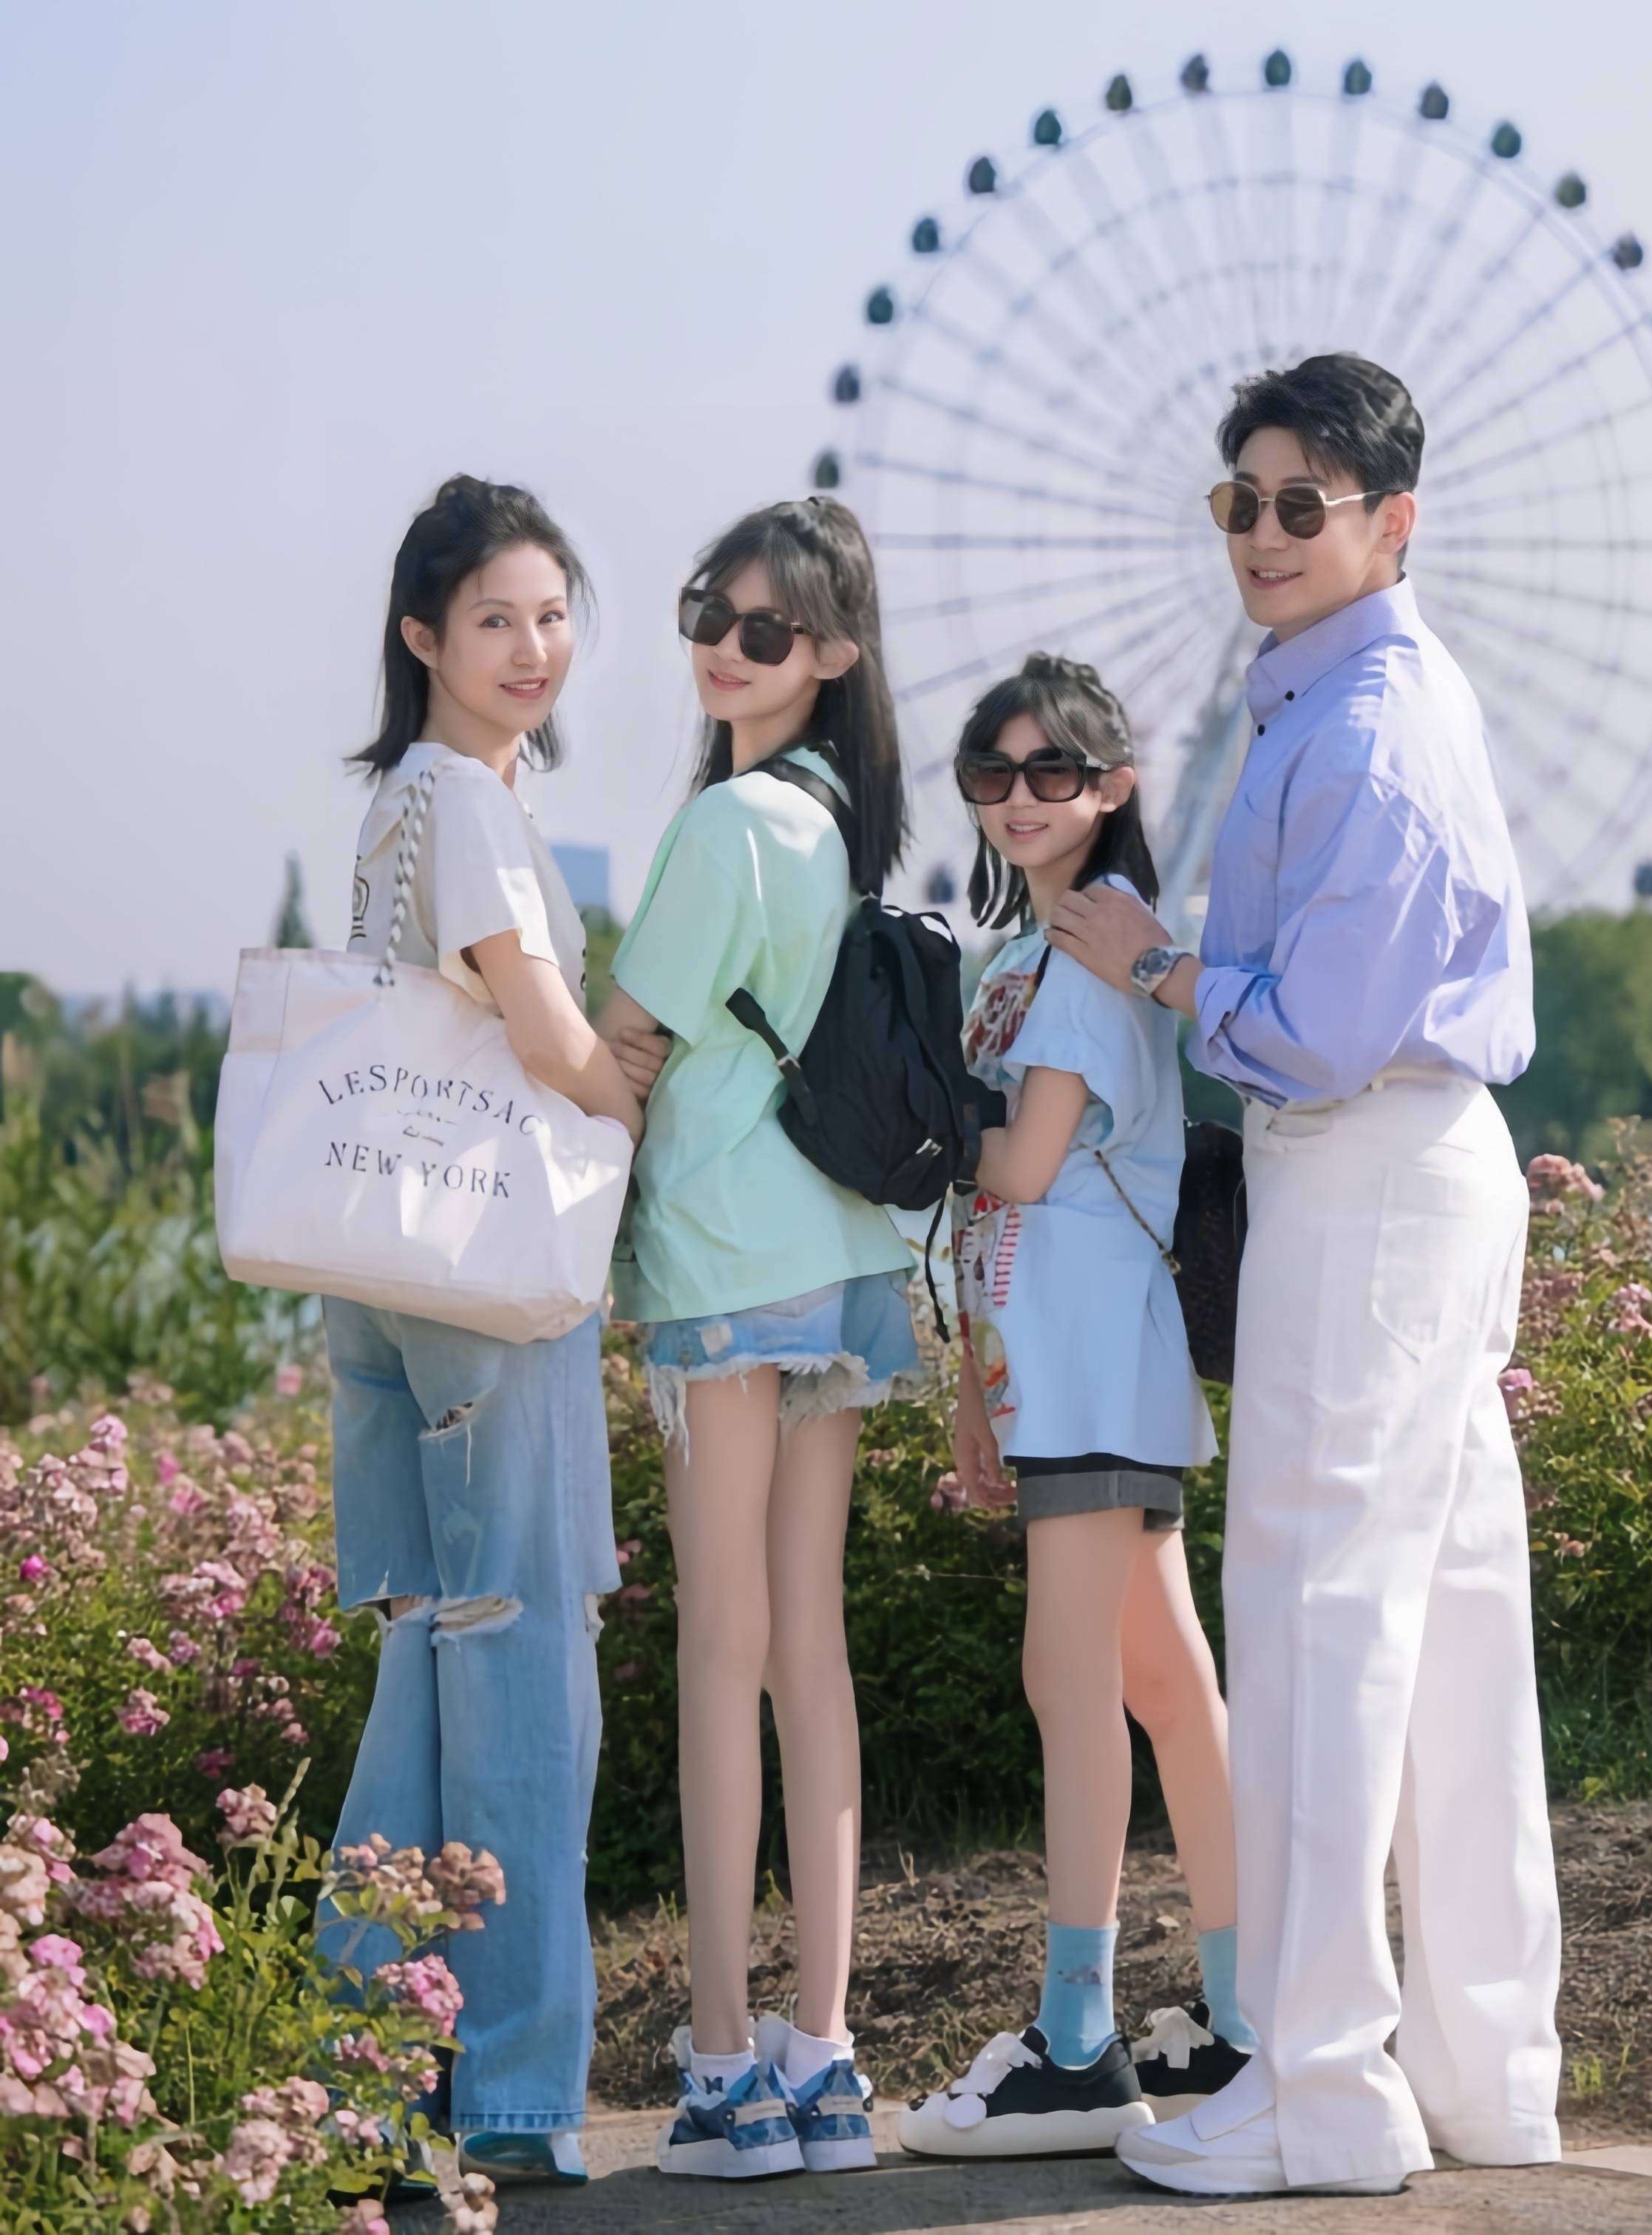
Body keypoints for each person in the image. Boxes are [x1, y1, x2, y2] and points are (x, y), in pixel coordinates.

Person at [1050, 355, 1563, 2199]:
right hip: (1419, 1164)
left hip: (1359, 1162)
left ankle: (1317, 2086)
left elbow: (1322, 1027)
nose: (1260, 537)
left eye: (1299, 505)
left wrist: (1156, 966)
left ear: (1391, 521)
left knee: (1311, 1612)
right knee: (1449, 1619)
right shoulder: (1367, 698)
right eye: (1239, 504)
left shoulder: (1362, 728)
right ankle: (1481, 2074)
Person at [316, 475, 646, 2196]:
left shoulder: (399, 803)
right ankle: (514, 2091)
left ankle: (356, 2077)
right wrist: (639, 1112)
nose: (533, 649)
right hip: (487, 1273)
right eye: (496, 620)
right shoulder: (467, 800)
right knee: (524, 1662)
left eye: (552, 616)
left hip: (381, 1261)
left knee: (432, 1658)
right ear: (423, 637)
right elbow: (541, 1033)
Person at [600, 497, 919, 2181]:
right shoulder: (845, 826)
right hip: (844, 1259)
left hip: (725, 1261)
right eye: (706, 615)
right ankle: (826, 2062)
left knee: (723, 1646)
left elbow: (624, 1047)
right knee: (813, 1650)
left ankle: (722, 2068)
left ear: (833, 653)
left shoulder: (726, 823)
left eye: (767, 629)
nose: (725, 648)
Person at [897, 654, 1251, 2162]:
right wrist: (977, 1388)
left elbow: (1023, 1169)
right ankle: (1245, 2015)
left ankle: (1079, 2038)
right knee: (1162, 1682)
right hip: (1068, 1361)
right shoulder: (1032, 955)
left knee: (1073, 1684)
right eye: (992, 773)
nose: (1019, 797)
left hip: (1096, 1359)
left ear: (1112, 787)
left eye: (1053, 772)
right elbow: (1008, 1209)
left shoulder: (1093, 951)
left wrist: (887, 1118)